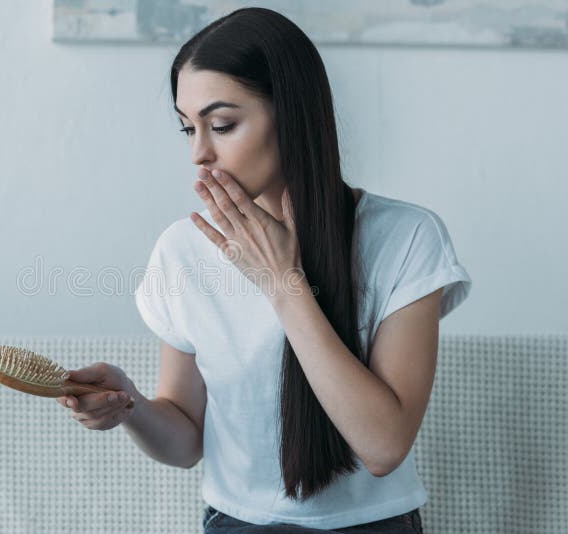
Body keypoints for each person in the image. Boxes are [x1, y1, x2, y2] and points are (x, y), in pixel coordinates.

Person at [56, 7, 471, 533]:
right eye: (188, 129)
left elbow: (384, 447)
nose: (199, 153)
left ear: (292, 114)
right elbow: (186, 441)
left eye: (222, 124)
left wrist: (284, 284)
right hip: (236, 524)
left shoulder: (406, 238)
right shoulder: (183, 249)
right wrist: (129, 404)